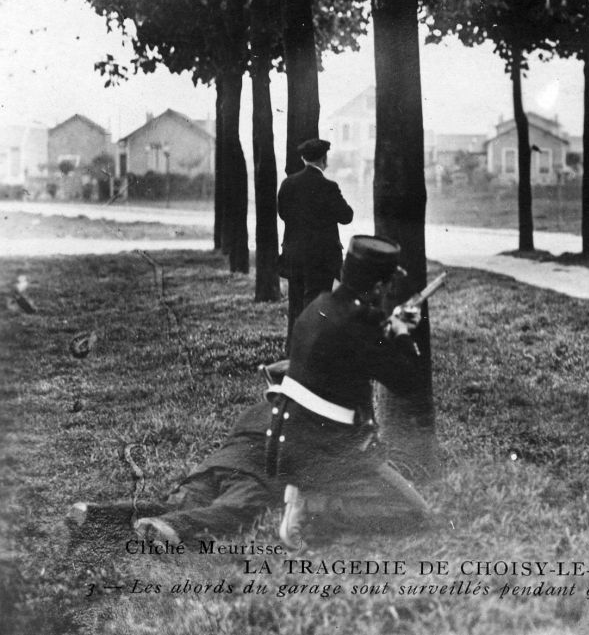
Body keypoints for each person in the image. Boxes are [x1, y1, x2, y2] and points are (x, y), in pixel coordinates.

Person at [267, 235, 431, 551]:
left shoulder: (320, 306)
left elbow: (348, 356)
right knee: (415, 515)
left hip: (294, 439)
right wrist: (402, 334)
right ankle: (313, 507)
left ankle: (308, 495)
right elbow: (408, 383)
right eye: (387, 284)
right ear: (379, 287)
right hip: (332, 449)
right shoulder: (362, 324)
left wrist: (385, 330)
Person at [66, 401, 280, 544]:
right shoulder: (295, 417)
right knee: (234, 511)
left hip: (211, 468)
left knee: (177, 506)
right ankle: (168, 526)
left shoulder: (256, 410)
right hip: (253, 474)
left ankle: (95, 513)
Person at [277, 138, 354, 350]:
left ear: (303, 159)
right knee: (316, 304)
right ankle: (310, 352)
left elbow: (283, 214)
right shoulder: (329, 187)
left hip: (294, 254)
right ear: (324, 159)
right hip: (321, 258)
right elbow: (346, 216)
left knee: (296, 301)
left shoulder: (287, 184)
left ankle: (293, 349)